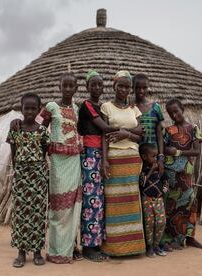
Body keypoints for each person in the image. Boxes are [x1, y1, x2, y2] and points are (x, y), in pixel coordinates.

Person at [36, 72, 84, 264]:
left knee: (73, 207)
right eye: (64, 86)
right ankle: (56, 251)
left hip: (74, 160)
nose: (67, 89)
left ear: (76, 88)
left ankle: (70, 247)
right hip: (57, 161)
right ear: (59, 87)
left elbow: (79, 131)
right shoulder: (50, 107)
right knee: (58, 208)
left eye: (71, 86)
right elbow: (38, 126)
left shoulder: (77, 108)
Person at [100, 70, 146, 256]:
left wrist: (125, 134)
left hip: (132, 158)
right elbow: (104, 135)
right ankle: (114, 247)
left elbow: (140, 135)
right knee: (113, 202)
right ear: (114, 86)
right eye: (121, 86)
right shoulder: (106, 107)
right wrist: (104, 160)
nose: (124, 90)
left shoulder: (134, 110)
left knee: (131, 200)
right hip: (114, 158)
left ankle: (133, 247)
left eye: (128, 87)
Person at [77, 70, 119, 261]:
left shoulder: (101, 106)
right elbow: (104, 128)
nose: (96, 88)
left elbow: (105, 135)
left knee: (99, 200)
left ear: (103, 88)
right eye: (93, 84)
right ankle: (88, 247)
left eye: (99, 85)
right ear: (87, 87)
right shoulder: (87, 105)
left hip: (99, 155)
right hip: (89, 155)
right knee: (90, 200)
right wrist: (129, 129)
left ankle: (96, 243)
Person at [6, 93, 50, 268]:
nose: (30, 111)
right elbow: (14, 153)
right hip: (21, 177)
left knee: (38, 215)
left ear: (39, 110)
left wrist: (38, 171)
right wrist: (19, 171)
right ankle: (21, 252)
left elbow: (44, 152)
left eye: (33, 108)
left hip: (38, 176)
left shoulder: (42, 131)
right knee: (20, 215)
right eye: (26, 108)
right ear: (21, 109)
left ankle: (37, 251)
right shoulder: (15, 129)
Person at [161, 98, 202, 250]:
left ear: (182, 109)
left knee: (190, 203)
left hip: (186, 173)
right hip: (171, 174)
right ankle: (173, 239)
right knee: (172, 207)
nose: (174, 115)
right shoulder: (168, 131)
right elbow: (162, 149)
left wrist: (178, 152)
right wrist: (167, 151)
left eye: (176, 111)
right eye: (171, 113)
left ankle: (189, 237)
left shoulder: (193, 128)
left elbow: (197, 151)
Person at [138, 143, 167, 257]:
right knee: (149, 223)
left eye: (156, 156)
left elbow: (165, 180)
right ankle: (149, 247)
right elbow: (142, 183)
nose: (155, 159)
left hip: (158, 199)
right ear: (144, 157)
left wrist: (162, 192)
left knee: (161, 222)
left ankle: (156, 245)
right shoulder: (143, 169)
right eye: (153, 156)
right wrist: (151, 171)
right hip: (147, 200)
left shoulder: (159, 168)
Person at [133, 73, 165, 176]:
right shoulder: (130, 107)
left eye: (144, 88)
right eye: (137, 88)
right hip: (135, 154)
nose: (141, 91)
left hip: (153, 156)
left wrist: (160, 156)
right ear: (132, 87)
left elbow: (159, 133)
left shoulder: (155, 107)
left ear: (148, 87)